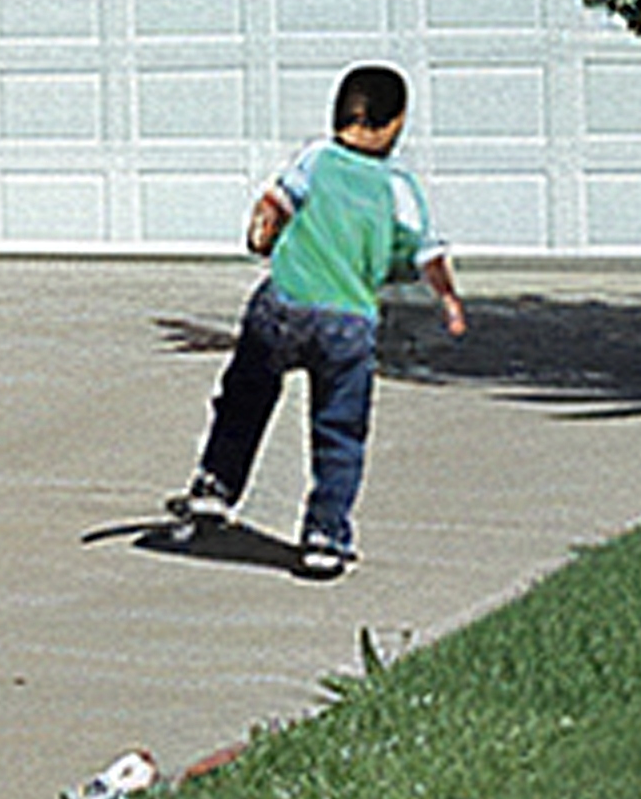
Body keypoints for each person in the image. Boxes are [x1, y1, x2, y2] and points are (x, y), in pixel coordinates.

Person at [170, 62, 467, 579]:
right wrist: (449, 301)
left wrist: (260, 239)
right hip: (346, 322)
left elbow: (274, 206)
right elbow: (427, 253)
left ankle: (215, 487)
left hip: (282, 304)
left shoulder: (316, 158)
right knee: (339, 428)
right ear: (394, 122)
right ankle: (324, 535)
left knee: (244, 395)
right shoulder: (398, 184)